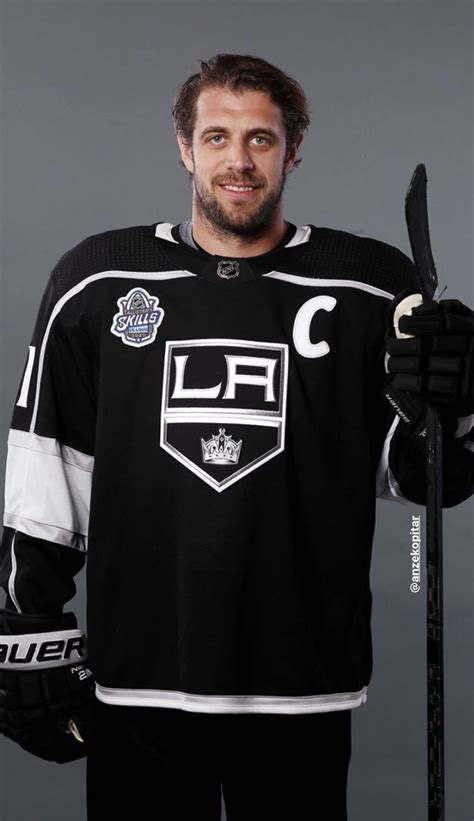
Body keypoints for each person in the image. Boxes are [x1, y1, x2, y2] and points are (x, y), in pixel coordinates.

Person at [0, 53, 472, 821]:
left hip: (302, 682)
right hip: (140, 677)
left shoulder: (372, 285)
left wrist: (455, 403)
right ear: (185, 147)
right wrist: (28, 621)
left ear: (294, 150)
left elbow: (428, 482)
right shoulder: (98, 280)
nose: (239, 161)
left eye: (260, 139)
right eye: (217, 137)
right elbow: (51, 463)